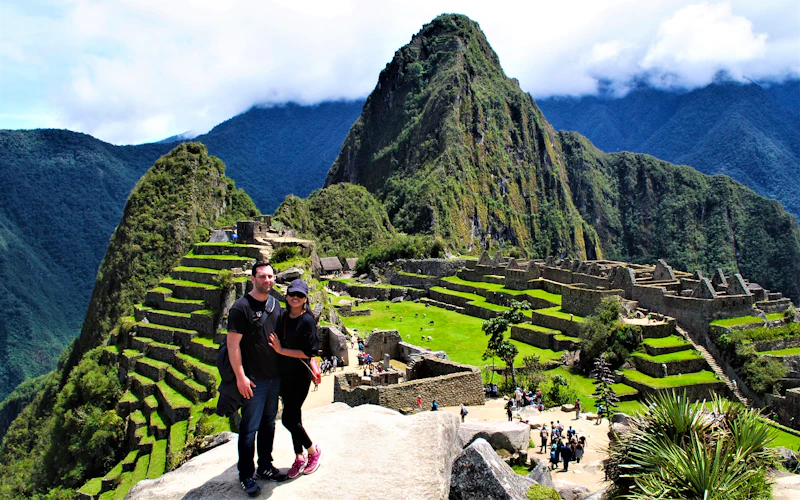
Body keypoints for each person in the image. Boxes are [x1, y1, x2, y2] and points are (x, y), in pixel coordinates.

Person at [227, 262, 286, 496]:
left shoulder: (276, 305)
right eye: (262, 276)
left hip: (274, 378)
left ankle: (265, 466)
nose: (267, 280)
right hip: (253, 381)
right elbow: (233, 346)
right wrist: (240, 376)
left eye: (270, 276)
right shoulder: (241, 308)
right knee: (249, 428)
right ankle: (245, 474)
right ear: (252, 278)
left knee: (269, 424)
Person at [268, 279, 323, 480]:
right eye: (292, 294)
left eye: (300, 295)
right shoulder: (283, 317)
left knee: (288, 419)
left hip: (300, 376)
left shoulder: (307, 321)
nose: (295, 298)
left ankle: (312, 451)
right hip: (284, 375)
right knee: (295, 417)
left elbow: (309, 352)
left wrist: (281, 350)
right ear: (287, 296)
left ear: (305, 298)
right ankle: (298, 456)